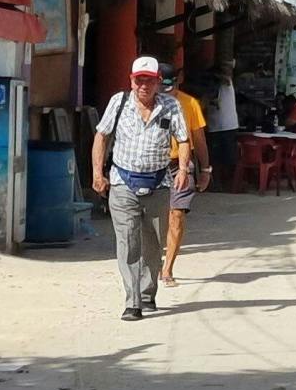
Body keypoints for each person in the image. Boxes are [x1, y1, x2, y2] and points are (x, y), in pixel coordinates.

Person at [91, 56, 192, 321]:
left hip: (158, 183)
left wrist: (183, 169)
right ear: (131, 81)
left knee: (152, 243)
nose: (143, 86)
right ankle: (132, 302)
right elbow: (101, 136)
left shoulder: (171, 106)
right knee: (128, 242)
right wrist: (97, 173)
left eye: (149, 80)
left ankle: (147, 294)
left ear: (158, 82)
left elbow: (183, 139)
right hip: (122, 182)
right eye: (139, 80)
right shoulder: (119, 102)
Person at [159, 65, 213, 289]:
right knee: (153, 218)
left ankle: (167, 269)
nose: (165, 92)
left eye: (169, 87)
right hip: (153, 166)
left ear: (178, 81)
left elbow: (198, 139)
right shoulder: (145, 103)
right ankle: (153, 261)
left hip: (180, 166)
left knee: (177, 215)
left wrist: (205, 170)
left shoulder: (189, 104)